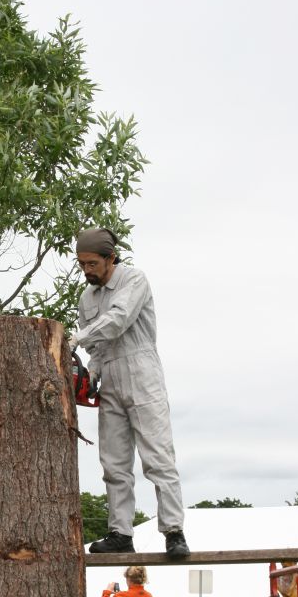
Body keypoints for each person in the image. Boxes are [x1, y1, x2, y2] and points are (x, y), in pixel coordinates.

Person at [69, 226, 190, 559]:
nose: (87, 271)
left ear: (111, 258)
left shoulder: (134, 279)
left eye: (92, 263)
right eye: (82, 264)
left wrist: (75, 339)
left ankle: (173, 532)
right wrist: (89, 374)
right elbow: (97, 347)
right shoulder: (86, 297)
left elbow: (119, 320)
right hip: (110, 377)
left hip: (142, 372)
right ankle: (120, 531)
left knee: (158, 456)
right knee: (114, 462)